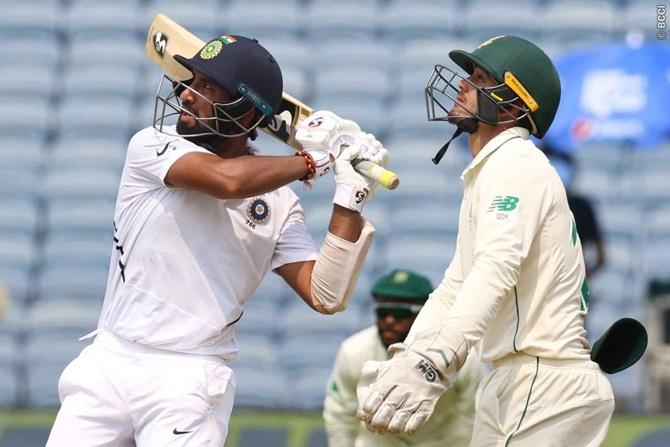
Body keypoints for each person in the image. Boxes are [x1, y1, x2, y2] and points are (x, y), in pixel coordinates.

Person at [46, 35, 388, 447]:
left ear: (247, 113)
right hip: (111, 359)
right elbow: (226, 182)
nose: (186, 95)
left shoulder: (279, 202)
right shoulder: (153, 146)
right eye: (191, 80)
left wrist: (349, 197)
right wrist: (316, 159)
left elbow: (326, 294)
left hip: (188, 378)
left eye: (207, 87)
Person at [356, 35, 615, 446]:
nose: (461, 84)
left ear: (512, 105)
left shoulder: (515, 164)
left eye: (478, 78)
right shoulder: (491, 171)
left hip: (543, 378)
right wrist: (411, 354)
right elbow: (455, 286)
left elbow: (496, 268)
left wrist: (436, 363)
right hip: (520, 379)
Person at [324, 269, 485, 447]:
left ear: (426, 314)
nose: (390, 321)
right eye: (383, 312)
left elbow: (476, 414)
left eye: (401, 313)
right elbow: (340, 416)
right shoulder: (353, 352)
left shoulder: (460, 357)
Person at [543, 146, 606, 280]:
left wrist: (585, 276)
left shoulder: (583, 207)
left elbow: (601, 256)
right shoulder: (535, 205)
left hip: (569, 281)